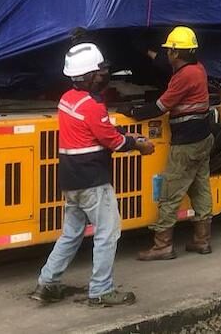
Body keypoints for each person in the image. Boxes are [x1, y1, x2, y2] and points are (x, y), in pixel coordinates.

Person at [31, 42, 155, 307]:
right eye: (100, 72)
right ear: (87, 76)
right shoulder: (92, 105)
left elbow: (97, 134)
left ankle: (47, 283)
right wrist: (139, 144)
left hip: (70, 178)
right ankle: (101, 290)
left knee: (71, 233)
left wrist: (122, 136)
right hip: (92, 180)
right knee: (108, 232)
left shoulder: (67, 99)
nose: (104, 76)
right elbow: (114, 142)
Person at [130, 26, 214, 260]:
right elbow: (165, 65)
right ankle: (202, 240)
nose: (166, 53)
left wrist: (135, 112)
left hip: (186, 142)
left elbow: (161, 106)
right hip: (203, 138)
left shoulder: (185, 76)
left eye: (169, 50)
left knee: (170, 193)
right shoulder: (198, 68)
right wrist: (147, 51)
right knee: (200, 189)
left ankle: (162, 246)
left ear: (176, 53)